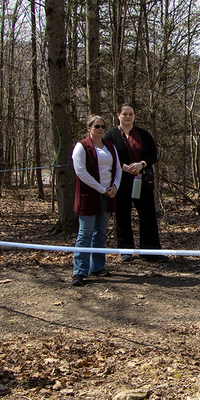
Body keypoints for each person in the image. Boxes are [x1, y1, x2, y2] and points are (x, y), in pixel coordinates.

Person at [104, 104, 167, 263]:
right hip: (121, 181)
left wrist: (142, 164)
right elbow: (106, 156)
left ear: (134, 116)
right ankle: (126, 251)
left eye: (130, 114)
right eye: (124, 114)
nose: (127, 117)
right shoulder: (110, 135)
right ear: (118, 115)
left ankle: (150, 252)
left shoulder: (143, 135)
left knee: (148, 216)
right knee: (122, 216)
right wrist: (122, 167)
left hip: (142, 181)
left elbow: (153, 155)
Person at [72, 115, 121, 287]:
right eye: (96, 126)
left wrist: (115, 186)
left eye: (102, 126)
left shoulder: (110, 146)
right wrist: (101, 189)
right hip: (89, 195)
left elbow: (117, 169)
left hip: (108, 195)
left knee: (100, 232)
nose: (100, 129)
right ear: (89, 128)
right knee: (85, 232)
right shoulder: (81, 146)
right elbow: (81, 172)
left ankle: (98, 267)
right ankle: (79, 271)